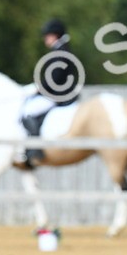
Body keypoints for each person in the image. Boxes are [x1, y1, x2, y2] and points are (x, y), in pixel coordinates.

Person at [19, 18, 79, 167]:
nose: (45, 38)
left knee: (28, 111)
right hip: (57, 93)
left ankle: (35, 149)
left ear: (55, 35)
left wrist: (39, 89)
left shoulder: (60, 51)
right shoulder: (61, 49)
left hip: (57, 95)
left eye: (47, 35)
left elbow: (56, 77)